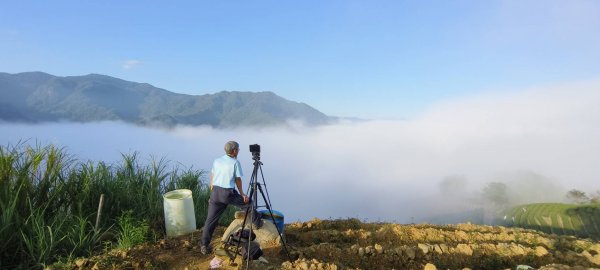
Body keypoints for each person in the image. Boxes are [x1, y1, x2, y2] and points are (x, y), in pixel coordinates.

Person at [200, 141, 262, 255]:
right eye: (238, 149)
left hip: (215, 192)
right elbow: (238, 179)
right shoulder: (235, 162)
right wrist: (243, 194)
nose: (238, 151)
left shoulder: (217, 160)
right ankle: (257, 223)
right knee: (248, 204)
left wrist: (212, 184)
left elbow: (212, 174)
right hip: (226, 193)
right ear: (234, 151)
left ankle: (204, 245)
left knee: (210, 220)